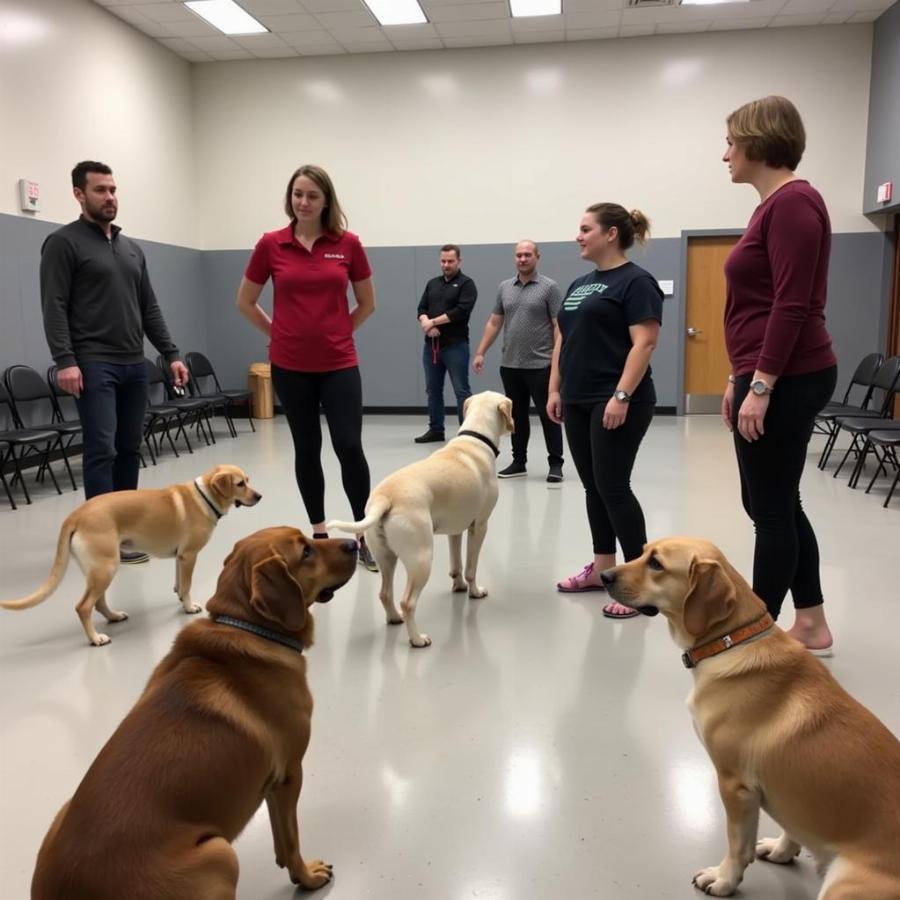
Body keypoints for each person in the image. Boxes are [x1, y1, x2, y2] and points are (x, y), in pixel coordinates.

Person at [721, 95, 837, 654]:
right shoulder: (772, 206)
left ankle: (755, 637)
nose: (725, 155)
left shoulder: (793, 204)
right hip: (768, 372)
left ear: (758, 142)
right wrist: (737, 378)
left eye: (731, 142)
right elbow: (756, 306)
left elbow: (791, 306)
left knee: (769, 508)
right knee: (778, 503)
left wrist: (761, 384)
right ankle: (809, 621)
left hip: (789, 375)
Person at [40, 160, 189, 564]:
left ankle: (128, 533)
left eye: (113, 189)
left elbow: (149, 308)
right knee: (101, 448)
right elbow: (53, 305)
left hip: (132, 363)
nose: (110, 197)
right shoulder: (63, 243)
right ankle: (99, 533)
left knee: (128, 447)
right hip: (91, 362)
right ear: (79, 195)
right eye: (100, 190)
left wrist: (170, 353)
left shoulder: (131, 249)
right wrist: (65, 360)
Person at [236, 164, 378, 572]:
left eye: (312, 195)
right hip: (290, 367)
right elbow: (244, 301)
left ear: (326, 201)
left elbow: (368, 303)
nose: (303, 202)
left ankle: (362, 533)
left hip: (339, 365)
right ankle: (317, 535)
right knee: (307, 448)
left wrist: (338, 332)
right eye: (297, 194)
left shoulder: (347, 244)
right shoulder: (271, 244)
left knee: (349, 446)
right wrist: (277, 333)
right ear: (290, 198)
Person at [548, 204, 663, 619]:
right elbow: (564, 339)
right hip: (577, 399)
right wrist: (555, 388)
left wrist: (621, 396)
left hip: (614, 399)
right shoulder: (581, 283)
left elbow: (644, 343)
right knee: (593, 487)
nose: (578, 236)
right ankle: (601, 570)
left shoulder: (637, 282)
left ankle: (639, 585)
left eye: (584, 229)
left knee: (613, 487)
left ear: (611, 234)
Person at [473, 240, 564, 482]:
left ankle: (556, 464)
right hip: (511, 365)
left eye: (527, 255)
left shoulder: (549, 288)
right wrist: (481, 351)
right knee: (516, 417)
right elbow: (495, 322)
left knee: (549, 416)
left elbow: (558, 325)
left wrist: (557, 358)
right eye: (519, 255)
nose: (522, 259)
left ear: (537, 257)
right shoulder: (505, 287)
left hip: (541, 365)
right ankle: (519, 461)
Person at [414, 245, 477, 443]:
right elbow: (422, 307)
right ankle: (436, 429)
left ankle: (466, 432)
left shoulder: (467, 284)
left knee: (461, 391)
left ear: (459, 261)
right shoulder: (432, 283)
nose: (446, 265)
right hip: (431, 346)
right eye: (443, 261)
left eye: (450, 261)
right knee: (433, 390)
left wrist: (434, 322)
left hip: (455, 346)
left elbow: (461, 311)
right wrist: (426, 323)